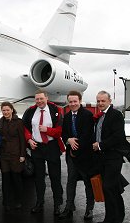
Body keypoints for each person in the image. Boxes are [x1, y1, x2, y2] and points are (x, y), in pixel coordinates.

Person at [22, 89, 64, 215]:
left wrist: (47, 130)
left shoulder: (56, 110)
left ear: (47, 98)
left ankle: (58, 204)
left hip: (51, 146)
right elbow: (24, 127)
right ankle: (39, 203)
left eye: (41, 98)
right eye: (37, 99)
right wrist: (29, 139)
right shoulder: (30, 111)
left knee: (55, 177)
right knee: (38, 177)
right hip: (37, 147)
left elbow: (60, 130)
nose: (39, 101)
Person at [59, 91, 95, 220]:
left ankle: (89, 208)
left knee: (88, 183)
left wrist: (75, 145)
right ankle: (69, 208)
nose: (73, 104)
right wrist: (68, 139)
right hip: (71, 157)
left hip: (85, 156)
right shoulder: (67, 116)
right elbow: (63, 134)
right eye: (70, 101)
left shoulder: (87, 115)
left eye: (75, 101)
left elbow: (87, 136)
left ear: (80, 101)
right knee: (71, 182)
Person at [92, 91, 126, 223]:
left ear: (109, 101)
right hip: (102, 159)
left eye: (103, 101)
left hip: (113, 158)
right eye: (98, 101)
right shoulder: (100, 117)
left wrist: (100, 145)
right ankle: (116, 215)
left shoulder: (115, 115)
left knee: (108, 187)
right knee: (112, 188)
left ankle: (112, 218)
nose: (100, 103)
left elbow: (118, 137)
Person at [0, 102, 26, 211]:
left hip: (15, 154)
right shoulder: (1, 121)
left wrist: (22, 155)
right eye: (3, 110)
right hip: (4, 154)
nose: (5, 112)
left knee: (16, 178)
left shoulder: (18, 122)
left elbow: (22, 140)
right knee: (5, 179)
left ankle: (19, 200)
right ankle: (6, 201)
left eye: (7, 110)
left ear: (12, 110)